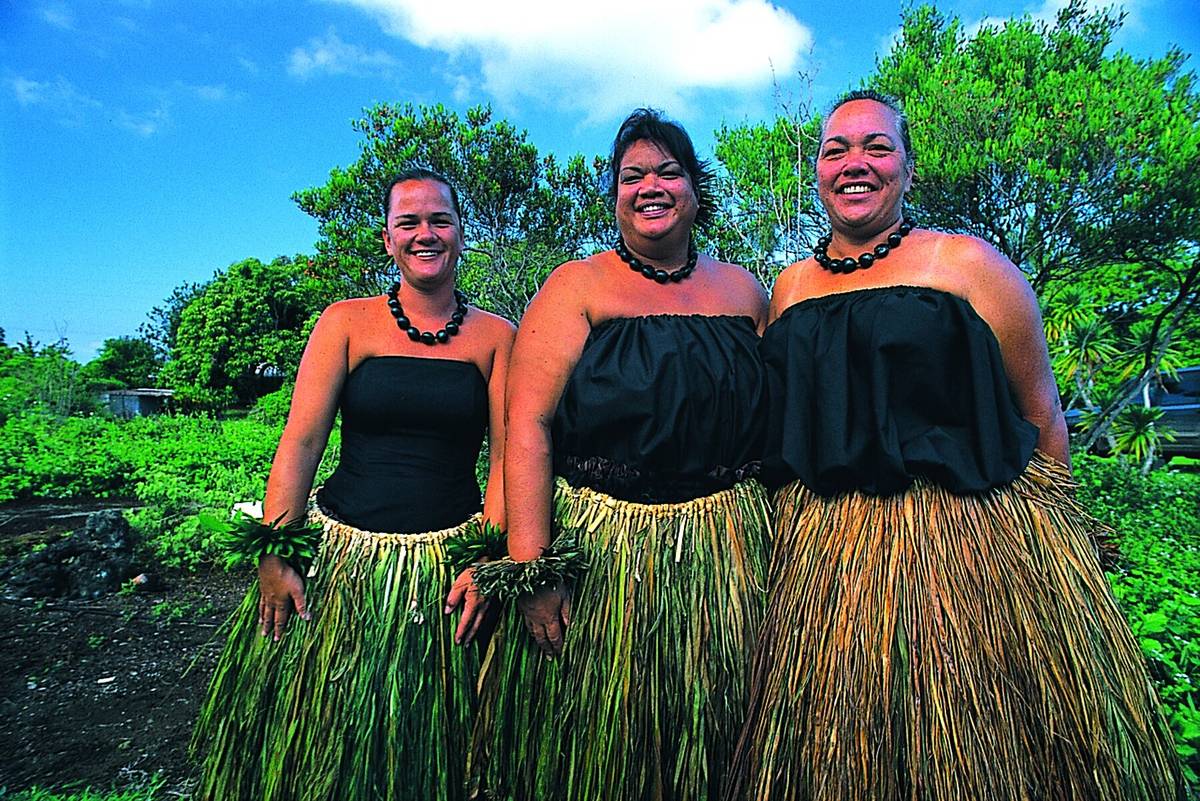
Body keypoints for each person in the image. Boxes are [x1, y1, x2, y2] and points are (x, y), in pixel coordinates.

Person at [724, 90, 1182, 801]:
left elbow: (1043, 416)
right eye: (835, 149)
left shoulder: (969, 265)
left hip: (971, 550)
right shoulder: (787, 289)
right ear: (816, 170)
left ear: (909, 167)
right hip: (827, 563)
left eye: (877, 147)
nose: (856, 163)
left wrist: (1068, 551)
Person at [472, 108, 771, 801]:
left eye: (669, 171)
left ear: (697, 189)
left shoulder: (746, 291)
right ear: (614, 195)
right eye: (632, 175)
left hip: (726, 548)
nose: (651, 186)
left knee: (720, 738)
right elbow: (527, 425)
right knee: (603, 759)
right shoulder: (575, 287)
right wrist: (532, 565)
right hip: (607, 553)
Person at [192, 168, 515, 801]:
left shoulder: (497, 337)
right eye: (409, 222)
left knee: (438, 749)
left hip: (445, 569)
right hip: (345, 561)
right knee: (328, 743)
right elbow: (302, 440)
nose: (426, 234)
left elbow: (510, 456)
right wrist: (276, 551)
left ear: (461, 231)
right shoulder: (345, 322)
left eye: (440, 220)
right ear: (388, 239)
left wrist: (486, 557)